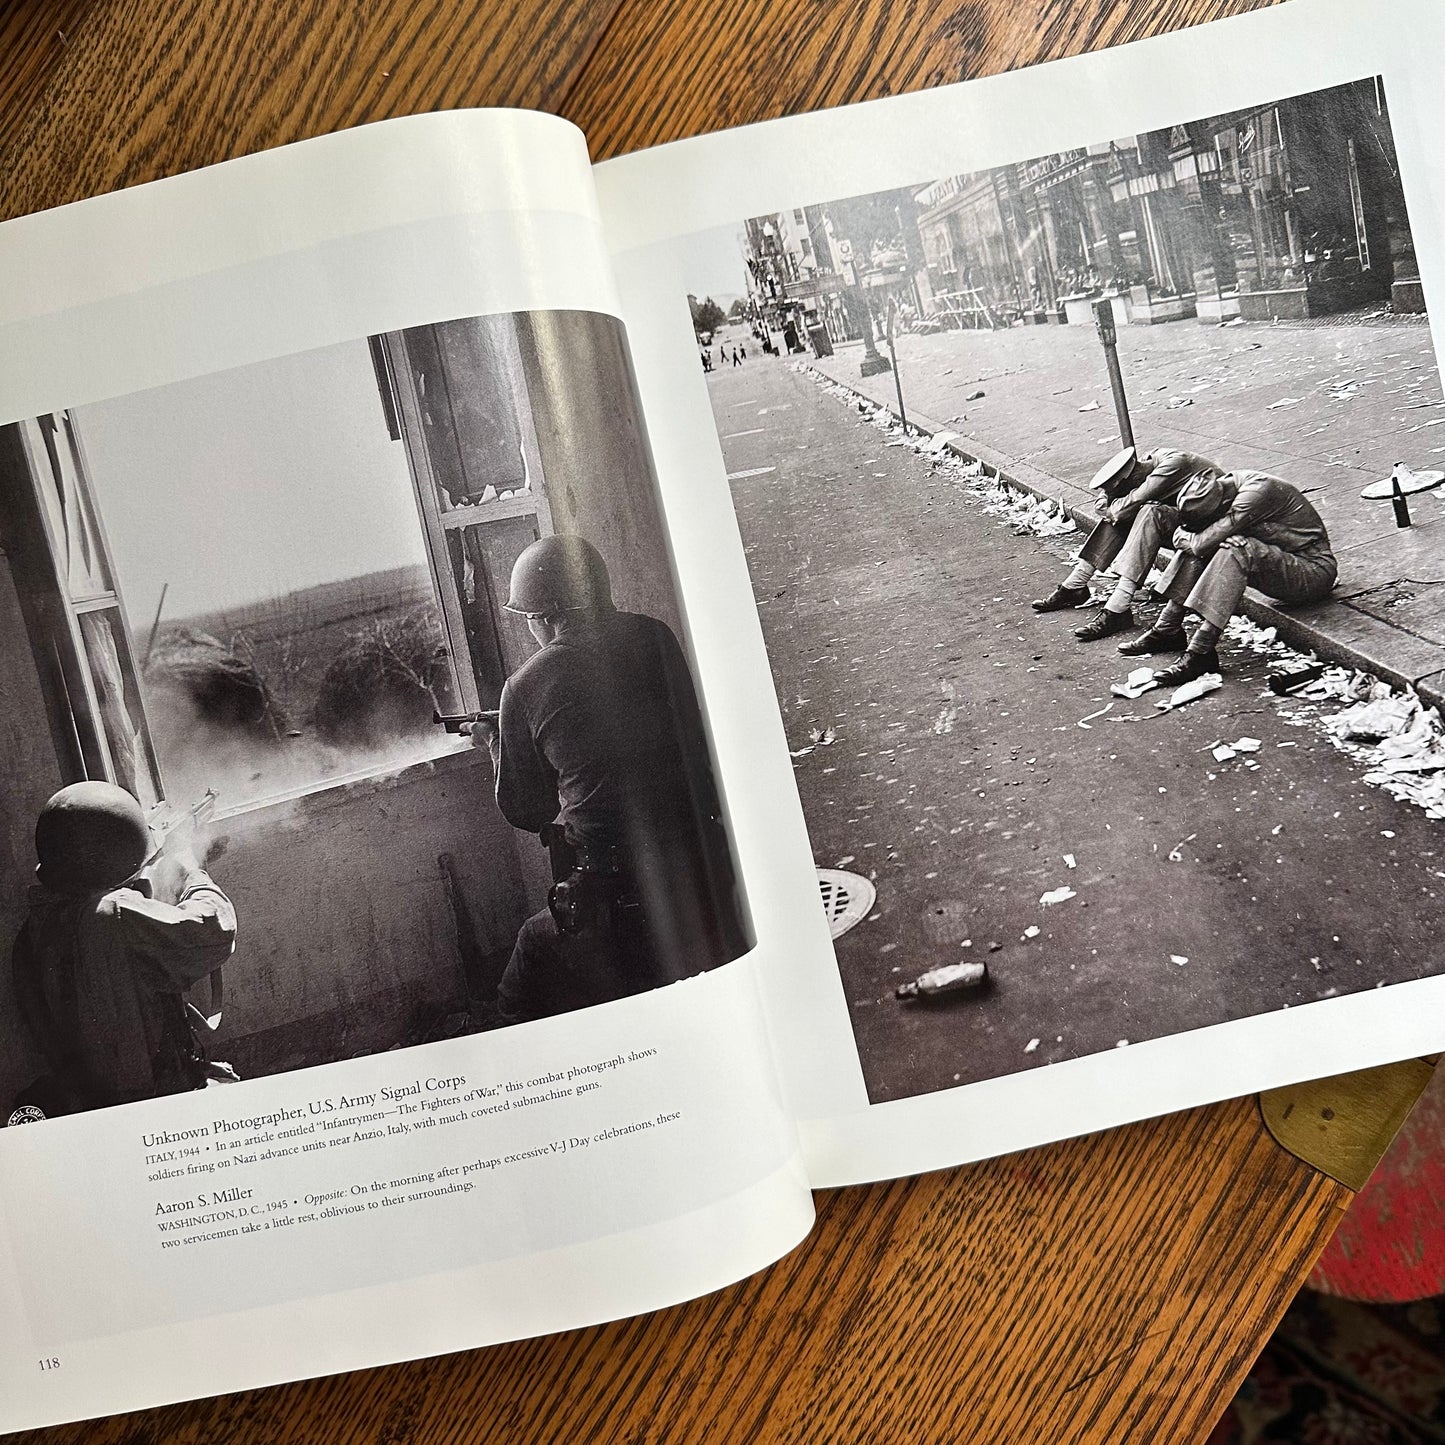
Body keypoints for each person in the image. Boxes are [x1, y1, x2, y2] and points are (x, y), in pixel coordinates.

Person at [476, 535, 744, 1025]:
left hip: (616, 894)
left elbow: (527, 811)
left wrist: (496, 742)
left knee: (521, 975)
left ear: (544, 617)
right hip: (701, 862)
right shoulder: (656, 637)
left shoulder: (525, 686)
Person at [11, 782, 237, 1115]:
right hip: (158, 1105)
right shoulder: (115, 915)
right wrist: (190, 870)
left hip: (95, 1108)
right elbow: (215, 931)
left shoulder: (34, 931)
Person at [1132, 470, 1337, 685]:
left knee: (1236, 548)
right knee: (1213, 544)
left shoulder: (1255, 494)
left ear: (1223, 504)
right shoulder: (1221, 489)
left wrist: (1197, 539)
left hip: (1312, 572)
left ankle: (1201, 651)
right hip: (1286, 563)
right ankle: (1167, 628)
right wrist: (1197, 539)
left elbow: (1199, 542)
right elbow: (1189, 538)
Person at [1032, 446, 1228, 656]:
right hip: (1186, 521)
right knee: (1128, 513)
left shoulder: (1172, 464)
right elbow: (1103, 502)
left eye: (1119, 488)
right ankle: (1076, 585)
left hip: (1212, 527)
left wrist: (1116, 508)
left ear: (1133, 477)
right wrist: (1114, 506)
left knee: (1148, 511)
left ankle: (1119, 606)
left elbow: (1127, 504)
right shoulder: (1142, 465)